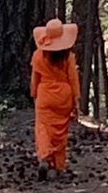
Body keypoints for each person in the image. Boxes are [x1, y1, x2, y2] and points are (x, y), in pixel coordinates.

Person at [30, 19, 81, 180]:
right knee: (60, 131)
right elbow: (73, 80)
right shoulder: (69, 57)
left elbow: (35, 79)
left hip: (45, 94)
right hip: (64, 97)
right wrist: (76, 100)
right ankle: (56, 167)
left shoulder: (38, 56)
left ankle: (44, 157)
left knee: (43, 128)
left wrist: (34, 94)